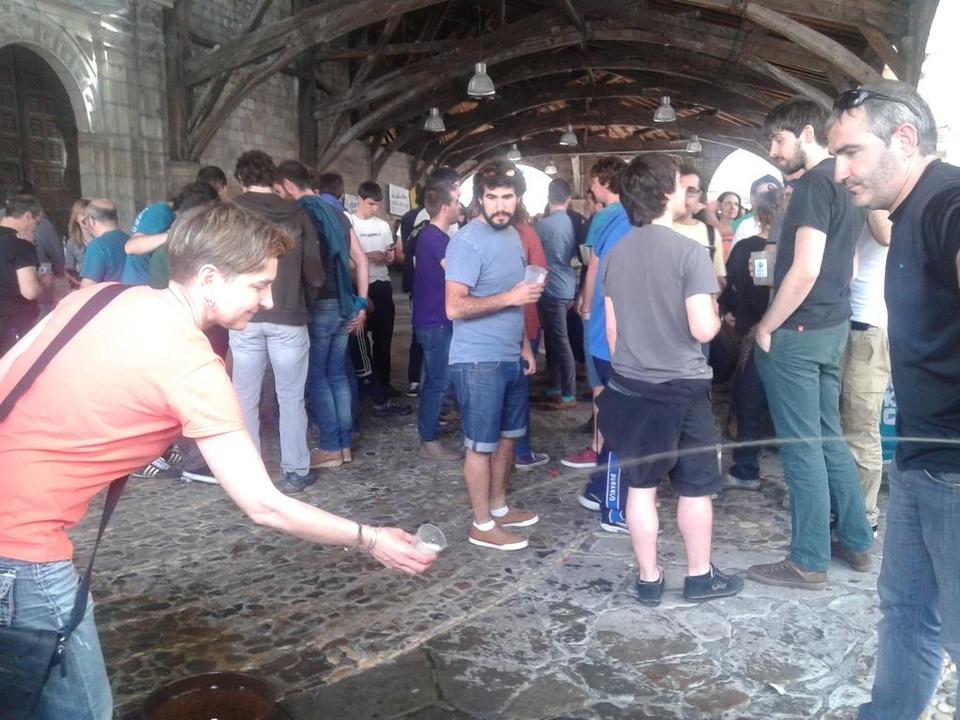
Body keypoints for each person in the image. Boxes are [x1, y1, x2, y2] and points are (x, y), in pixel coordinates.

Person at [0, 202, 435, 720]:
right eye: (258, 285)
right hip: (18, 552)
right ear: (209, 278)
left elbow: (6, 373)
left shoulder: (98, 296)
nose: (268, 299)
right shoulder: (192, 366)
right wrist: (371, 538)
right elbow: (264, 505)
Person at [826, 80, 960, 720]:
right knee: (905, 608)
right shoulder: (906, 213)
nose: (839, 171)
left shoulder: (948, 202)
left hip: (955, 472)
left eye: (851, 152)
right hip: (916, 461)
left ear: (904, 140)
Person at [597, 153, 743, 605]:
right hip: (684, 387)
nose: (685, 193)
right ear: (665, 192)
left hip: (632, 386)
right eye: (681, 185)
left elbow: (613, 333)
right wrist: (716, 314)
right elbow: (703, 329)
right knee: (695, 487)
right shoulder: (690, 253)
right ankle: (699, 576)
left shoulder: (614, 255)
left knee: (641, 488)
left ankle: (649, 579)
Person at [747, 97, 873, 591]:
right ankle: (856, 541)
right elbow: (851, 265)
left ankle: (808, 560)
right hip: (832, 325)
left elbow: (805, 268)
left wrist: (766, 326)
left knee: (802, 448)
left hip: (798, 333)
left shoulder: (813, 186)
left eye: (778, 140)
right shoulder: (846, 182)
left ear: (805, 133)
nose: (773, 151)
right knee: (828, 436)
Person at [445, 159, 543, 550]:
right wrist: (510, 298)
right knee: (480, 445)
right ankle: (481, 525)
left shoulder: (513, 236)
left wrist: (524, 345)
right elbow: (454, 307)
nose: (500, 205)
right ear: (479, 199)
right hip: (476, 360)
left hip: (509, 355)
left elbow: (516, 299)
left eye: (507, 197)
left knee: (508, 439)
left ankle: (498, 507)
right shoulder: (467, 241)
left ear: (518, 198)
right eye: (492, 197)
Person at [230, 150, 325, 493]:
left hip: (243, 316)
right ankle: (296, 470)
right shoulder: (296, 212)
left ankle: (248, 475)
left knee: (244, 398)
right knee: (291, 397)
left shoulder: (229, 213)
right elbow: (314, 271)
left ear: (240, 179)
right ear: (273, 178)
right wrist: (302, 303)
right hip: (289, 315)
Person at [275, 160, 369, 469]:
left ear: (289, 184)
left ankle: (330, 446)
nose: (279, 196)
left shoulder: (300, 213)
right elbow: (360, 258)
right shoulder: (338, 214)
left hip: (321, 304)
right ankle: (344, 445)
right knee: (338, 373)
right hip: (344, 301)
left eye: (279, 190)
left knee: (317, 376)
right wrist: (361, 303)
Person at [574, 156, 634, 534]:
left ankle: (599, 490)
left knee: (616, 418)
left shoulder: (610, 219)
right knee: (622, 422)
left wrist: (586, 307)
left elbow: (593, 269)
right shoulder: (625, 220)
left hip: (603, 331)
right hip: (617, 338)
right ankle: (614, 506)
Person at [718, 187, 784, 490]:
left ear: (758, 214)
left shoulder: (745, 248)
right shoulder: (797, 248)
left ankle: (746, 469)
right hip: (792, 335)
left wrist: (729, 312)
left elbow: (730, 287)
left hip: (753, 336)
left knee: (749, 404)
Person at [839, 213, 891, 536]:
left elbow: (885, 234)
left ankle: (864, 518)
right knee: (841, 425)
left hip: (869, 325)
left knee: (860, 427)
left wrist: (867, 196)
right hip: (844, 322)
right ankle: (845, 509)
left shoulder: (882, 204)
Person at [413, 183, 461, 461]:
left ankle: (432, 428)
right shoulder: (436, 238)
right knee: (437, 380)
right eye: (455, 202)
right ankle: (429, 439)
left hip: (433, 318)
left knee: (438, 377)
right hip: (435, 320)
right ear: (445, 207)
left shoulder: (431, 235)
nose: (459, 207)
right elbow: (455, 273)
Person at [350, 181, 398, 394]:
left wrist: (387, 257)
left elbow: (391, 257)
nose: (375, 209)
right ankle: (366, 382)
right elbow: (348, 258)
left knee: (384, 337)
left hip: (382, 283)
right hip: (360, 285)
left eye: (378, 204)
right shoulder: (349, 222)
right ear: (359, 199)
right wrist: (368, 256)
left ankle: (384, 382)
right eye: (371, 204)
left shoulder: (383, 225)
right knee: (360, 338)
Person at [534, 178, 578, 411]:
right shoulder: (572, 222)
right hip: (568, 285)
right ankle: (555, 386)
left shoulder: (543, 226)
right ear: (569, 199)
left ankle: (569, 393)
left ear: (548, 198)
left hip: (552, 288)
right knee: (555, 338)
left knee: (560, 341)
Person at [0, 193, 43, 354]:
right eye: (37, 222)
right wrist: (44, 282)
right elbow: (30, 292)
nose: (36, 228)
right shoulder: (20, 244)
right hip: (13, 323)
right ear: (28, 216)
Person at [673, 165, 726, 286]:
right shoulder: (656, 229)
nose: (684, 196)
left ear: (699, 194)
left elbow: (719, 279)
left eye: (691, 191)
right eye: (679, 189)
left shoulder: (711, 234)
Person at [122, 201, 176, 286]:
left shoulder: (159, 210)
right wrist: (176, 235)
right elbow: (131, 247)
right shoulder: (161, 211)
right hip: (141, 286)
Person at [79, 200, 128, 285]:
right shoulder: (131, 241)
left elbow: (88, 287)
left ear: (92, 221)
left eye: (85, 221)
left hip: (110, 293)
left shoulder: (97, 246)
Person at [731, 174, 783, 246]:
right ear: (754, 200)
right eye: (761, 195)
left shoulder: (791, 223)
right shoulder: (746, 226)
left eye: (771, 193)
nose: (767, 199)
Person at [64, 198, 91, 288]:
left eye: (89, 215)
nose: (86, 218)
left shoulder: (101, 238)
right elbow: (70, 269)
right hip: (83, 286)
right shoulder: (72, 243)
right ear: (76, 218)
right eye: (83, 214)